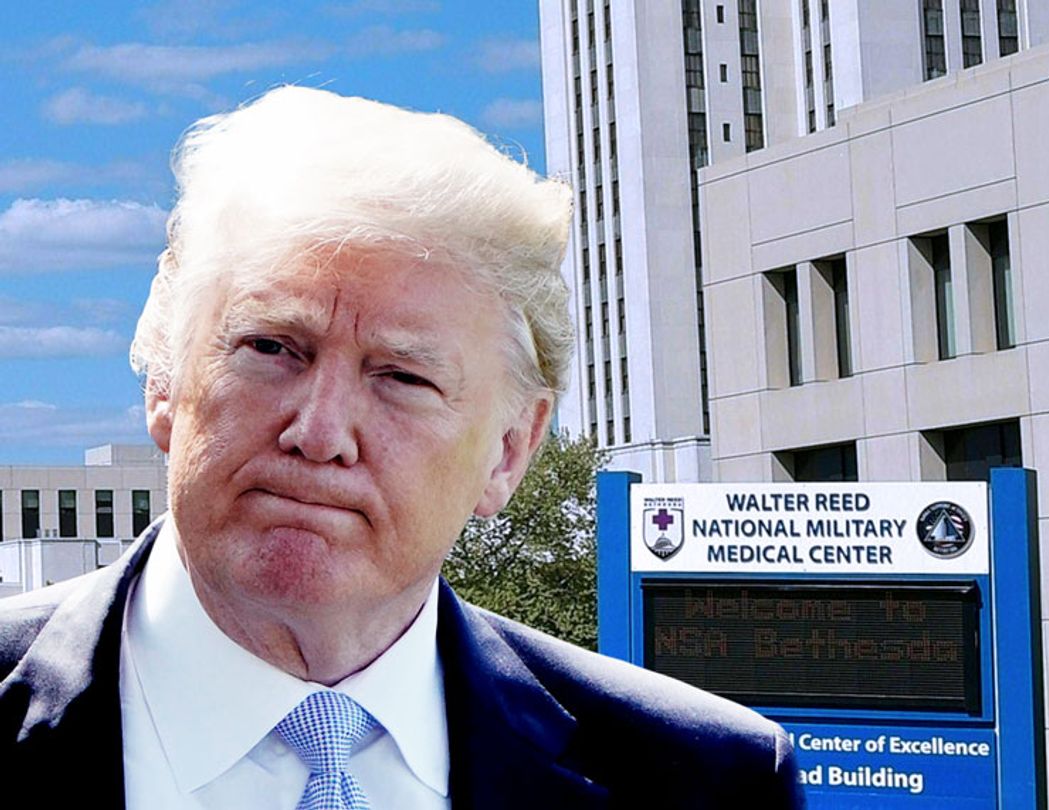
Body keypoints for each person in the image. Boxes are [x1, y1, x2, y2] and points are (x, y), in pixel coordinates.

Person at [0, 87, 803, 809]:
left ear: (510, 450)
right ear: (164, 384)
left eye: (402, 377)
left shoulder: (704, 783)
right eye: (273, 347)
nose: (319, 434)